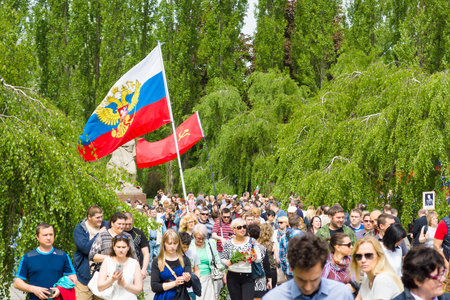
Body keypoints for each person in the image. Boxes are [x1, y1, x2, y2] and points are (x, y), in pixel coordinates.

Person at [263, 233, 353, 299]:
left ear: (323, 267)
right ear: (291, 269)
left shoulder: (342, 295)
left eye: (314, 279)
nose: (308, 287)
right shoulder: (274, 298)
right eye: (301, 280)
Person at [14, 223, 77, 300]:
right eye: (45, 235)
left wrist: (60, 289)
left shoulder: (63, 256)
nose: (48, 237)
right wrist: (33, 289)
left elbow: (73, 277)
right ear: (37, 237)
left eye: (51, 234)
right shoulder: (28, 257)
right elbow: (17, 283)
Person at [221, 218, 262, 300]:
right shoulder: (228, 243)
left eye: (244, 227)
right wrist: (226, 262)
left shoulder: (251, 241)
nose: (242, 229)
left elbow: (259, 258)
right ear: (234, 230)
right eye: (239, 227)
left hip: (247, 276)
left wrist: (255, 258)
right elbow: (223, 258)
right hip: (233, 276)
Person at [73, 205, 107, 300]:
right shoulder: (80, 229)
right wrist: (98, 235)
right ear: (89, 217)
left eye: (101, 217)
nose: (100, 220)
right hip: (84, 276)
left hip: (102, 276)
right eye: (97, 217)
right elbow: (85, 249)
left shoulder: (106, 226)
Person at [97, 234, 143, 299]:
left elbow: (138, 290)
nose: (121, 250)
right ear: (114, 247)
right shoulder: (107, 261)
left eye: (123, 247)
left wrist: (124, 284)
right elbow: (100, 287)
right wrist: (112, 280)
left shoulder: (134, 263)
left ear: (128, 248)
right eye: (118, 247)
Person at [150, 229, 192, 300]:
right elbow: (154, 286)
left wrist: (188, 279)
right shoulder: (157, 261)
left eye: (175, 243)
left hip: (181, 296)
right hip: (163, 297)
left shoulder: (185, 259)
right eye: (169, 243)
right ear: (164, 243)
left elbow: (189, 284)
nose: (172, 246)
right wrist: (175, 283)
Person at [190, 224, 224, 300]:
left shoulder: (210, 243)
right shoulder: (189, 245)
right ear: (194, 236)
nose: (201, 240)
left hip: (209, 278)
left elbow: (217, 260)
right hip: (195, 279)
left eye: (203, 238)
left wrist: (223, 274)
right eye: (199, 238)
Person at [248, 224, 272, 299]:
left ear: (248, 234)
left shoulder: (244, 247)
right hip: (260, 279)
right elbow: (266, 265)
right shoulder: (262, 248)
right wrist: (269, 280)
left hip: (247, 279)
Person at [124, 212, 150, 279]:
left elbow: (146, 253)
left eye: (129, 224)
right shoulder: (119, 233)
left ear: (132, 222)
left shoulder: (139, 233)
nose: (127, 226)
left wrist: (144, 269)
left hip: (136, 266)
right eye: (125, 224)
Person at [280, 215, 306, 280]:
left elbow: (282, 256)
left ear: (288, 223)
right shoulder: (304, 235)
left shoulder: (283, 237)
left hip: (289, 270)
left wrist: (285, 270)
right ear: (299, 222)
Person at [180, 232, 200, 300]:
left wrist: (197, 279)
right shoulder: (175, 255)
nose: (185, 249)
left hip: (190, 289)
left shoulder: (193, 254)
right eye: (183, 247)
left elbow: (196, 269)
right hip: (179, 288)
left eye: (187, 247)